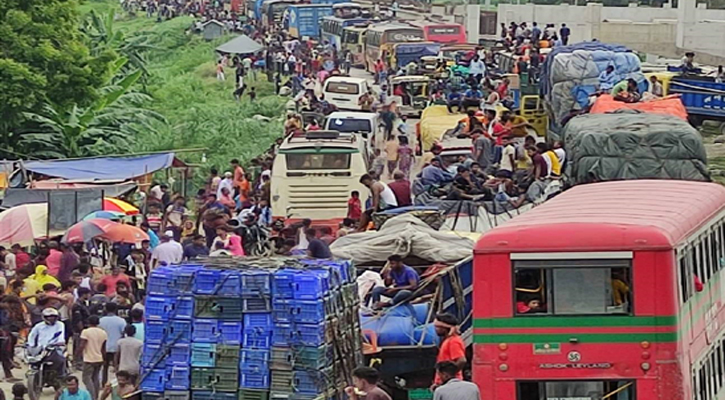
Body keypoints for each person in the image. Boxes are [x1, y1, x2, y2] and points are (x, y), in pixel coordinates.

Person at [28, 308, 66, 377]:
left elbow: (61, 334)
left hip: (55, 347)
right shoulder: (38, 326)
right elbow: (32, 336)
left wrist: (60, 342)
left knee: (61, 359)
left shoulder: (60, 324)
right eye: (49, 317)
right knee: (33, 360)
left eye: (53, 316)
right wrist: (31, 345)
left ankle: (61, 375)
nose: (51, 318)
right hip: (41, 348)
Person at [433, 313, 466, 386]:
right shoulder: (448, 341)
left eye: (437, 327)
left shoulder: (453, 341)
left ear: (444, 328)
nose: (436, 330)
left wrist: (449, 377)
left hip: (450, 384)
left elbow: (462, 360)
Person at [79, 315, 106, 400]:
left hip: (89, 358)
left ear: (88, 322)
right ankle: (96, 396)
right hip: (99, 358)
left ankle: (91, 396)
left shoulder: (86, 332)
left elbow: (82, 345)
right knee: (95, 378)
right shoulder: (103, 332)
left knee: (86, 378)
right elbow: (103, 348)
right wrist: (104, 359)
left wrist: (77, 355)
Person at [99, 303, 126, 386]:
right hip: (116, 347)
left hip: (104, 347)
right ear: (115, 310)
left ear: (106, 309)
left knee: (105, 367)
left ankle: (104, 383)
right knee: (116, 366)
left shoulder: (101, 320)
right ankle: (118, 383)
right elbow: (123, 333)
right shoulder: (121, 321)